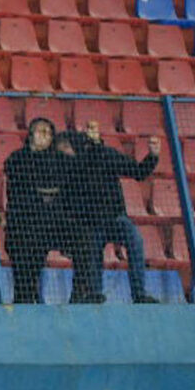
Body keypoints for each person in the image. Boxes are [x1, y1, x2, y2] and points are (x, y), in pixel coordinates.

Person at [67, 122, 164, 303]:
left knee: (135, 241)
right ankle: (94, 294)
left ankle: (139, 294)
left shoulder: (108, 155)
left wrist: (153, 156)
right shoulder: (75, 163)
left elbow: (138, 172)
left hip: (116, 217)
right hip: (91, 222)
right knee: (93, 249)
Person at [3, 117, 82, 304]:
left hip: (51, 224)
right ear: (30, 134)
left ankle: (80, 296)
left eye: (48, 133)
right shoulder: (17, 159)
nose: (45, 137)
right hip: (22, 227)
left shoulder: (59, 159)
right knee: (24, 276)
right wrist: (47, 192)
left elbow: (71, 181)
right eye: (41, 132)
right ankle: (26, 303)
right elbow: (22, 190)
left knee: (86, 243)